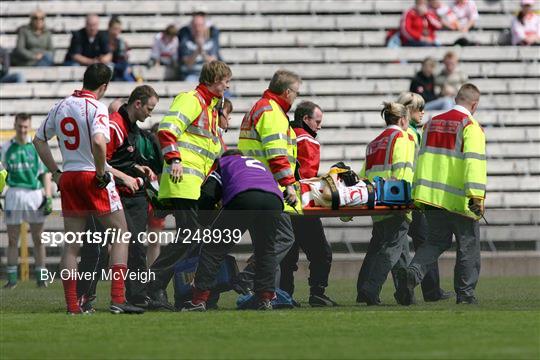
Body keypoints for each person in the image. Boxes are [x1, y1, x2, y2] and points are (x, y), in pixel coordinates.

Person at [33, 63, 143, 314]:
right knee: (120, 234)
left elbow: (38, 140)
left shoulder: (60, 106)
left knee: (72, 244)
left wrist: (56, 173)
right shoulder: (97, 107)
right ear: (104, 86)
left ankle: (73, 305)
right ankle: (117, 300)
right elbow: (98, 141)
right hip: (91, 176)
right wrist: (102, 173)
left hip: (69, 176)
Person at [145, 60, 231, 309]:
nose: (227, 86)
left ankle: (161, 289)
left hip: (194, 184)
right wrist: (173, 159)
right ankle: (154, 287)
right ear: (214, 79)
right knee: (189, 236)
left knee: (190, 236)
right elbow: (167, 131)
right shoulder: (192, 99)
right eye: (226, 81)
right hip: (182, 180)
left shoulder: (211, 108)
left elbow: (214, 148)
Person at [395, 83, 486, 306]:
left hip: (431, 197)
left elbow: (423, 158)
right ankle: (465, 294)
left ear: (456, 99)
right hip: (458, 199)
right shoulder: (470, 125)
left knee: (435, 241)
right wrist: (476, 196)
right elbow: (473, 163)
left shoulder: (431, 123)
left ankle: (412, 274)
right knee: (468, 245)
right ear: (474, 105)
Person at [182, 150, 285, 311]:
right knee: (266, 250)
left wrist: (204, 220)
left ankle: (198, 300)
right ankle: (265, 299)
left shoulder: (223, 164)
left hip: (245, 197)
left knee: (213, 248)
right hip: (274, 199)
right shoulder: (257, 164)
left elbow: (208, 194)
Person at [234, 69, 301, 295]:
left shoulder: (261, 107)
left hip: (251, 183)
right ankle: (249, 277)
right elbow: (276, 153)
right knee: (283, 237)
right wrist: (289, 184)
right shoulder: (272, 112)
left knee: (265, 241)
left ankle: (264, 294)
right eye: (296, 93)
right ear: (287, 91)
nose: (295, 98)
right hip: (269, 185)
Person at [393, 92, 453, 302]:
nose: (423, 113)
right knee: (426, 241)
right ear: (408, 111)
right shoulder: (410, 135)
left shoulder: (403, 133)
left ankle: (416, 288)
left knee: (399, 244)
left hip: (404, 196)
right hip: (413, 197)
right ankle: (430, 290)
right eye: (419, 108)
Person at [105, 85, 160, 307]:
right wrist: (124, 178)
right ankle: (89, 295)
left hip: (133, 193)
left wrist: (138, 168)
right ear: (137, 103)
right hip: (117, 193)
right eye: (149, 108)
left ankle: (137, 295)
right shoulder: (115, 125)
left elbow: (123, 159)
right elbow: (100, 163)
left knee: (137, 246)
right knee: (102, 247)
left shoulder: (133, 128)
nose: (150, 113)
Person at [356, 102, 416, 306]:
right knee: (391, 248)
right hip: (395, 202)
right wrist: (406, 201)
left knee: (394, 248)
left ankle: (405, 294)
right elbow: (403, 171)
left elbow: (363, 176)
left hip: (377, 203)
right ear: (402, 120)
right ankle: (370, 288)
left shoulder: (373, 143)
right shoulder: (403, 137)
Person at [279, 101, 338, 307]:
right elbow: (306, 178)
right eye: (317, 122)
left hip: (282, 202)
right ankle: (317, 293)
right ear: (306, 119)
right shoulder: (308, 141)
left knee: (288, 256)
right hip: (302, 205)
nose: (319, 127)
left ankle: (284, 295)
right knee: (322, 253)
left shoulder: (285, 135)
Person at [1, 113, 52, 289]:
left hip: (34, 194)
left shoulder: (35, 146)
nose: (22, 130)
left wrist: (48, 196)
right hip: (14, 193)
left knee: (38, 238)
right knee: (13, 239)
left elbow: (45, 172)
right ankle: (12, 279)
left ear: (29, 127)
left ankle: (42, 277)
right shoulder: (6, 147)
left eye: (25, 127)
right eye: (20, 126)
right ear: (15, 125)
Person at [178, 11, 221, 81]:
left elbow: (214, 63)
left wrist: (202, 52)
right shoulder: (185, 41)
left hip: (208, 75)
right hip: (191, 74)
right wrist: (197, 50)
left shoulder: (211, 42)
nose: (197, 29)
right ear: (191, 27)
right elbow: (188, 64)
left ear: (205, 26)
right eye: (195, 26)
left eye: (200, 25)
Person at [108, 17, 136, 82]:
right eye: (115, 29)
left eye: (118, 29)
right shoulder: (104, 40)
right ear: (109, 28)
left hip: (120, 68)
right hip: (111, 68)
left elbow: (125, 57)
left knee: (127, 70)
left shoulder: (122, 42)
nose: (117, 31)